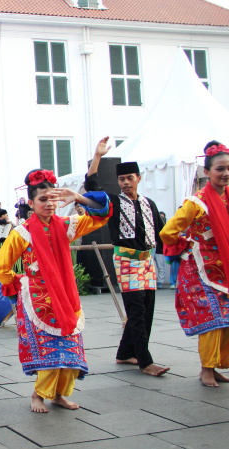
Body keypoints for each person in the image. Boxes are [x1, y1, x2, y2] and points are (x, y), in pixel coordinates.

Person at [0, 169, 111, 413]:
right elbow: (0, 267)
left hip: (66, 297)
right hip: (38, 300)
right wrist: (22, 281)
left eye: (53, 199)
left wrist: (78, 197)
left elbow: (101, 216)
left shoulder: (67, 226)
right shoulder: (21, 232)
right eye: (42, 199)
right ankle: (38, 394)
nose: (49, 204)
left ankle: (58, 394)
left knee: (70, 350)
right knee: (50, 350)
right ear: (32, 202)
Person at [85, 137, 170, 377]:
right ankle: (145, 361)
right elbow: (92, 187)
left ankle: (125, 353)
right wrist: (98, 156)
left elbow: (162, 233)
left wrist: (180, 252)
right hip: (126, 261)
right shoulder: (113, 202)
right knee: (136, 312)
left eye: (129, 178)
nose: (124, 183)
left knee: (148, 308)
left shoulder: (149, 203)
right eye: (121, 179)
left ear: (138, 178)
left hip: (147, 261)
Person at [161, 141, 229, 387]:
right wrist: (186, 245)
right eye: (220, 168)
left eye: (228, 168)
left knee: (226, 320)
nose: (225, 173)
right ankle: (206, 368)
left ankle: (216, 365)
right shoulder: (196, 203)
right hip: (201, 270)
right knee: (212, 320)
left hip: (225, 267)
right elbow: (168, 231)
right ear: (207, 172)